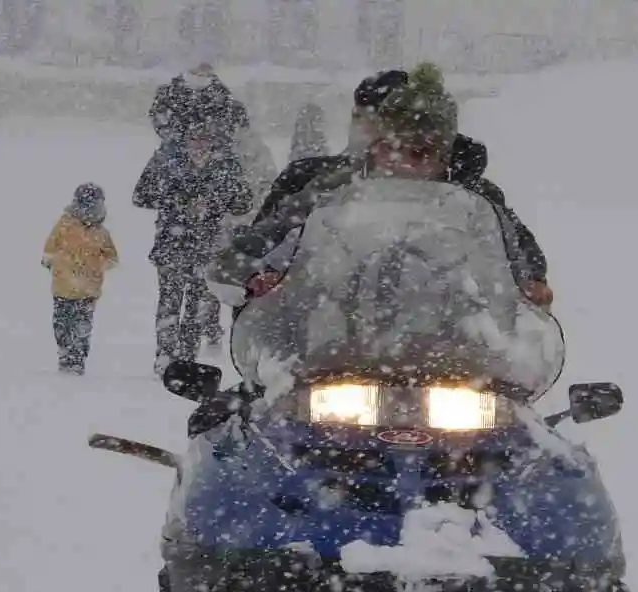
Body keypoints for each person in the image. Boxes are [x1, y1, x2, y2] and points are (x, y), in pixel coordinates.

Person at [213, 63, 548, 310]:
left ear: (445, 156)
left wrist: (530, 285)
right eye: (390, 146)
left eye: (419, 153)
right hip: (331, 340)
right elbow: (249, 249)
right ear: (375, 143)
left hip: (455, 349)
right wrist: (258, 277)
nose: (400, 161)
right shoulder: (330, 191)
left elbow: (519, 259)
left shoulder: (477, 201)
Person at [133, 113, 252, 374]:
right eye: (193, 139)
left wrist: (213, 204)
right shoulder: (166, 160)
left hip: (205, 245)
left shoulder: (226, 165)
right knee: (170, 302)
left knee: (197, 304)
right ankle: (165, 356)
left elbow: (244, 201)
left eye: (205, 139)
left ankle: (187, 357)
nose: (198, 145)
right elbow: (140, 195)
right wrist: (178, 203)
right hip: (171, 244)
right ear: (184, 140)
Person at [42, 183, 119, 375]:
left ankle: (77, 359)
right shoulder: (64, 225)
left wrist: (97, 266)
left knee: (82, 327)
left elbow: (112, 258)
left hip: (88, 291)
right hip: (63, 288)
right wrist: (54, 263)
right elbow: (49, 250)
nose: (89, 211)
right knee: (62, 324)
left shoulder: (102, 233)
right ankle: (65, 353)